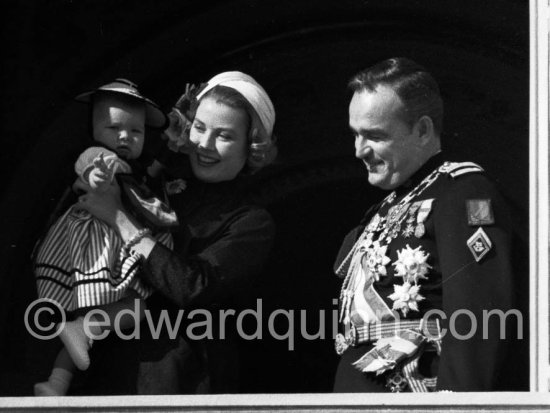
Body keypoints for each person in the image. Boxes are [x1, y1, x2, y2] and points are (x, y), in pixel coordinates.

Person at [73, 71, 277, 394]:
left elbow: (192, 287)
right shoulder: (160, 179)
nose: (205, 145)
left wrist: (119, 218)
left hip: (180, 379)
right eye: (200, 128)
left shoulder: (251, 221)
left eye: (224, 136)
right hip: (109, 368)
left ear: (251, 147)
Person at [332, 57, 519, 392]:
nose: (359, 150)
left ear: (422, 130)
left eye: (374, 135)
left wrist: (457, 405)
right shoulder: (386, 205)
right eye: (355, 134)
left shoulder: (462, 192)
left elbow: (477, 320)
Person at [33, 79, 175, 396]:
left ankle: (56, 382)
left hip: (115, 240)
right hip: (99, 243)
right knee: (132, 308)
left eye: (136, 132)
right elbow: (89, 166)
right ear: (96, 131)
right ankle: (79, 337)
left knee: (96, 322)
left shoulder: (134, 169)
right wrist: (96, 174)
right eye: (114, 128)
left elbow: (148, 179)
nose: (125, 137)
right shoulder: (99, 156)